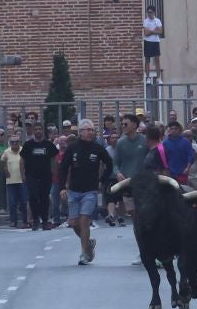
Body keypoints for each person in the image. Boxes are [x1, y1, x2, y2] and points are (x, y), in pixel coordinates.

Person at [57, 121, 114, 266]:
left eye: (92, 130)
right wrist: (62, 187)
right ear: (80, 132)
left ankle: (84, 253)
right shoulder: (72, 148)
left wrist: (102, 180)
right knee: (74, 223)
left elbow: (109, 164)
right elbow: (63, 168)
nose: (91, 132)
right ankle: (88, 242)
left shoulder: (98, 148)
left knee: (84, 220)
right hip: (74, 190)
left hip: (90, 191)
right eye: (88, 130)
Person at [109, 114, 146, 224]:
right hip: (126, 183)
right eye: (122, 124)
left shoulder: (145, 140)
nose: (123, 126)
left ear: (134, 125)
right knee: (132, 212)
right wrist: (117, 172)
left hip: (142, 183)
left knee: (143, 211)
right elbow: (115, 163)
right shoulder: (120, 142)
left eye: (126, 124)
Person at [20, 123, 58, 231]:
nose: (38, 131)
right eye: (36, 129)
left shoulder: (48, 144)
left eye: (40, 129)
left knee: (44, 198)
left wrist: (54, 171)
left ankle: (45, 221)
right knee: (33, 197)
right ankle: (35, 220)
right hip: (31, 176)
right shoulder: (28, 145)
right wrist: (22, 174)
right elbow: (22, 160)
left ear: (43, 131)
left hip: (46, 175)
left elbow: (55, 158)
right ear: (33, 131)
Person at [159, 119, 197, 188]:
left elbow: (191, 156)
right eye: (171, 129)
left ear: (179, 130)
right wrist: (165, 171)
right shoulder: (164, 143)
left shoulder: (186, 142)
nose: (173, 130)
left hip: (182, 174)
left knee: (183, 191)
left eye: (175, 129)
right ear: (169, 130)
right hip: (169, 174)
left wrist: (187, 168)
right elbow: (162, 159)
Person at [2, 130, 27, 228]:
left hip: (22, 180)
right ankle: (13, 221)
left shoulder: (23, 150)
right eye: (13, 142)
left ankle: (25, 220)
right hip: (11, 181)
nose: (15, 143)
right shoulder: (6, 152)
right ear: (10, 143)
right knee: (12, 203)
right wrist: (5, 170)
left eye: (16, 142)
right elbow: (2, 161)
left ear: (19, 142)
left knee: (24, 202)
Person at [143, 7, 163, 74]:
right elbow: (146, 33)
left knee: (157, 59)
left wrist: (150, 31)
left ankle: (158, 77)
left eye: (150, 12)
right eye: (148, 12)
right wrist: (154, 30)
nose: (149, 14)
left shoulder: (158, 21)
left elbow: (160, 31)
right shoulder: (145, 21)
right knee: (147, 59)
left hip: (156, 42)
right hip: (147, 41)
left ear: (154, 12)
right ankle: (147, 77)